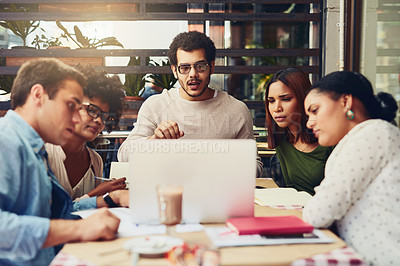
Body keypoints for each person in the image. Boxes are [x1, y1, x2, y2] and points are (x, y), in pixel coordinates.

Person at [0, 58, 128, 265]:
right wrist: (79, 228)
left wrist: (109, 200)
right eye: (71, 106)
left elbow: (56, 214)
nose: (77, 118)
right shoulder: (5, 140)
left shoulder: (33, 148)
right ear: (38, 95)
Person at [117, 31, 263, 177]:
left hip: (219, 195)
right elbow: (124, 156)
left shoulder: (236, 110)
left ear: (211, 67)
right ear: (175, 71)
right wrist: (154, 141)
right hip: (168, 194)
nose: (193, 74)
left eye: (200, 66)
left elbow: (255, 166)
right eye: (185, 68)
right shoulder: (156, 105)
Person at [303, 71, 400, 265]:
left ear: (346, 101)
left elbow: (318, 213)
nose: (309, 122)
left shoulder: (372, 134)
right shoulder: (368, 135)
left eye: (315, 110)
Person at [46, 65, 126, 201]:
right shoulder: (45, 152)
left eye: (104, 116)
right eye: (93, 110)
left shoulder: (95, 162)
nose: (99, 120)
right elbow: (46, 213)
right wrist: (96, 193)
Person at [265, 68, 333, 195]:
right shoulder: (282, 140)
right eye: (271, 101)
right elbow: (291, 191)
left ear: (304, 99)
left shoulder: (329, 138)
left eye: (285, 99)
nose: (276, 108)